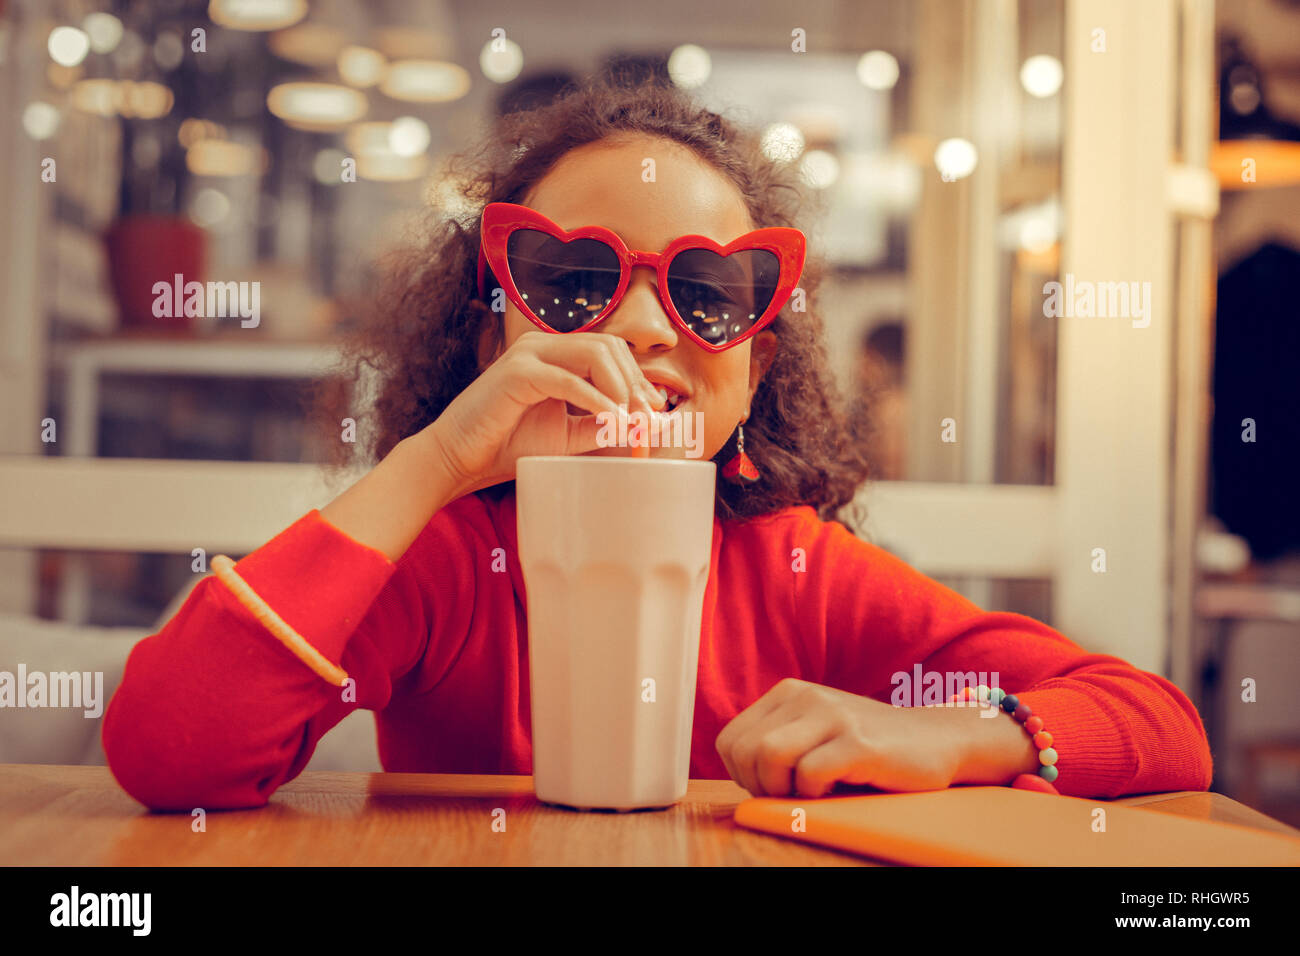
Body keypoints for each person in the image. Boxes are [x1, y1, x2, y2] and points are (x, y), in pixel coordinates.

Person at [102, 77, 1211, 811]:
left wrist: (968, 736)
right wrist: (437, 460)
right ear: (496, 325)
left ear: (758, 365)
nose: (641, 328)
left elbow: (1159, 724)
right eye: (571, 281)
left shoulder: (798, 573)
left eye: (707, 292)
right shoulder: (449, 558)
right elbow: (170, 751)